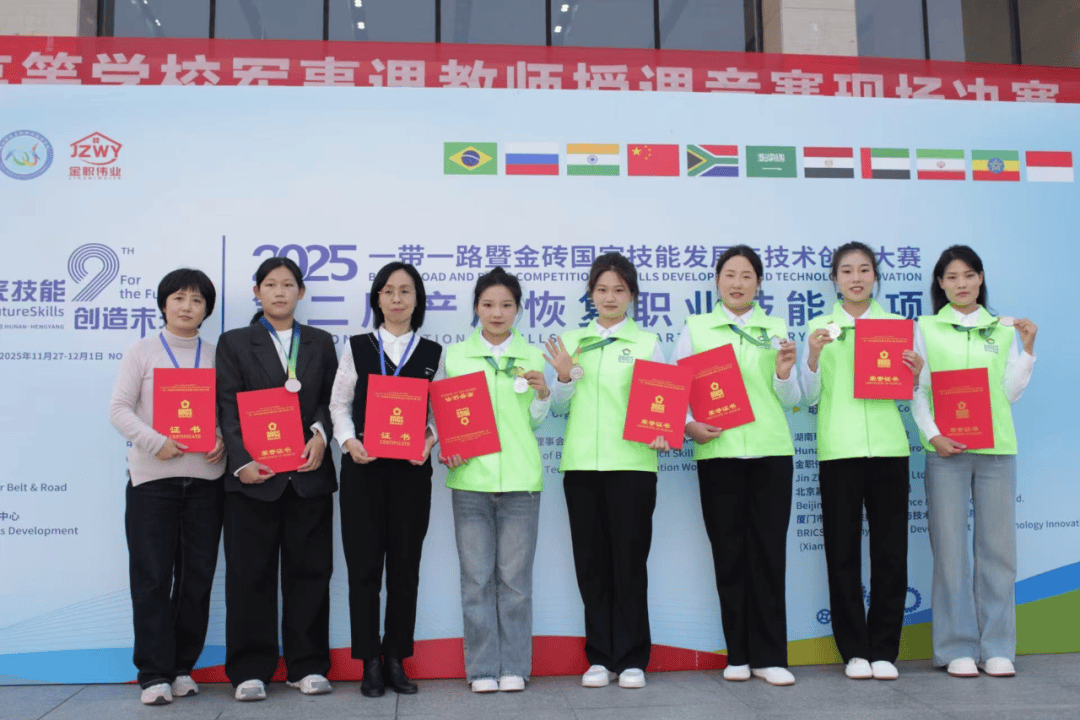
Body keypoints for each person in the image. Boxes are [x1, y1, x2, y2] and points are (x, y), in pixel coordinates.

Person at [673, 244, 799, 687]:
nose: (738, 283)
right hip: (719, 454)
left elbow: (792, 399)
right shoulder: (696, 328)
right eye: (730, 275)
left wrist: (784, 372)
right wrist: (688, 426)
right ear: (717, 281)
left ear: (759, 283)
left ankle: (771, 656)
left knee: (769, 555)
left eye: (747, 276)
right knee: (728, 555)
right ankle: (739, 655)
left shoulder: (776, 329)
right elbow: (676, 391)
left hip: (771, 453)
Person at [215, 257, 339, 702]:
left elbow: (333, 399)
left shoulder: (320, 342)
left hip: (307, 475)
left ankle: (308, 665)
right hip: (254, 478)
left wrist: (321, 435)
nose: (279, 292)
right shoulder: (234, 342)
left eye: (288, 285)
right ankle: (250, 670)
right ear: (257, 292)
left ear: (300, 293)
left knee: (311, 574)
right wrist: (241, 461)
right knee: (250, 575)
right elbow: (227, 406)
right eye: (270, 284)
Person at [543, 252, 669, 689]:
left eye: (619, 289)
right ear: (590, 294)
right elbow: (558, 410)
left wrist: (662, 430)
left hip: (632, 466)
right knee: (591, 565)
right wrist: (563, 378)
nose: (610, 297)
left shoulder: (648, 343)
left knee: (629, 565)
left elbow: (663, 401)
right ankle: (599, 657)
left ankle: (632, 658)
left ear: (632, 295)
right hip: (581, 467)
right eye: (601, 289)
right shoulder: (570, 342)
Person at [800, 242, 924, 681]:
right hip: (839, 449)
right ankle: (854, 650)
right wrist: (813, 357)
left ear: (875, 276)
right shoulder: (819, 327)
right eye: (847, 270)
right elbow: (807, 397)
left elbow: (914, 391)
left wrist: (916, 373)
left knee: (891, 552)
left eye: (864, 270)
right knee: (842, 552)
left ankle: (884, 650)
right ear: (834, 279)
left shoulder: (898, 327)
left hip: (889, 449)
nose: (856, 278)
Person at [913, 245, 1036, 679]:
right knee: (950, 552)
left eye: (968, 275)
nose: (961, 284)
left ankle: (998, 647)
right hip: (945, 452)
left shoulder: (1003, 329)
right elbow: (918, 389)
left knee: (998, 552)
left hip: (996, 450)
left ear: (980, 279)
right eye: (952, 277)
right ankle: (956, 648)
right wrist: (933, 435)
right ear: (940, 284)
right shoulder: (925, 327)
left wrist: (1027, 350)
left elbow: (1010, 393)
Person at [109, 268, 226, 705]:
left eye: (197, 300)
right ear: (163, 304)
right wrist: (155, 442)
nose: (186, 307)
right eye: (178, 298)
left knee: (197, 579)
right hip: (152, 482)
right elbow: (119, 409)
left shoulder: (216, 355)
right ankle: (153, 674)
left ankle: (181, 668)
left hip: (206, 482)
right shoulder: (141, 351)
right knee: (153, 578)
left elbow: (228, 412)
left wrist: (222, 439)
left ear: (206, 309)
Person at [329, 262, 441, 697]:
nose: (397, 298)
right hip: (364, 471)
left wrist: (429, 441)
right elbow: (339, 405)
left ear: (417, 300)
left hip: (411, 474)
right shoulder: (357, 347)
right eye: (388, 291)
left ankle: (396, 657)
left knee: (405, 569)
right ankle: (369, 662)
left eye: (405, 291)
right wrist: (348, 442)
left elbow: (440, 413)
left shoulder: (432, 353)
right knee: (364, 570)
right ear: (377, 298)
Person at [437, 267, 551, 693]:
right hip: (470, 481)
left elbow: (537, 421)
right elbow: (443, 415)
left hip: (521, 481)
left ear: (518, 309)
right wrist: (449, 445)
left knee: (516, 583)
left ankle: (515, 667)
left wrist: (543, 393)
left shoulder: (533, 356)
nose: (497, 313)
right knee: (476, 581)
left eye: (506, 305)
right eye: (488, 304)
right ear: (476, 308)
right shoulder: (455, 357)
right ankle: (483, 669)